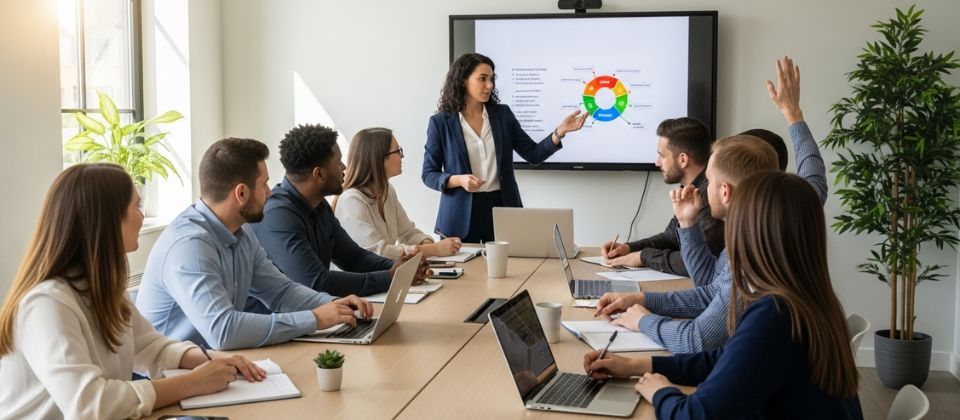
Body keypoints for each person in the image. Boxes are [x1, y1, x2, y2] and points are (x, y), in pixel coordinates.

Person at [594, 56, 828, 353]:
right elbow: (712, 288)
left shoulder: (753, 253)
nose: (705, 186)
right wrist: (794, 116)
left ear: (725, 191)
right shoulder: (794, 208)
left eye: (710, 180)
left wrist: (643, 320)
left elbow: (695, 340)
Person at [584, 171, 863, 419]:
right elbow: (725, 359)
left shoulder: (775, 314)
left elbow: (695, 415)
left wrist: (660, 392)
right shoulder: (812, 300)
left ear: (752, 234)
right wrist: (637, 365)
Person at [0, 164, 266, 419]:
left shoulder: (102, 288)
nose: (142, 216)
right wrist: (193, 383)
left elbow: (150, 347)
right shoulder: (46, 304)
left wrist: (215, 359)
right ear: (107, 221)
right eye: (137, 206)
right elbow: (90, 405)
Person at [136, 138, 372, 350]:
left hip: (216, 364)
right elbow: (223, 331)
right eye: (264, 184)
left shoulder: (241, 231)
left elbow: (280, 291)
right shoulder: (191, 246)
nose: (269, 193)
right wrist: (315, 318)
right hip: (170, 375)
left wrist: (333, 304)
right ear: (241, 193)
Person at [422, 52, 589, 243]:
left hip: (502, 207)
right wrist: (458, 180)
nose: (490, 85)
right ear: (462, 80)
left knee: (509, 263)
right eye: (482, 79)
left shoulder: (502, 115)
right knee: (465, 264)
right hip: (459, 216)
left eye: (491, 79)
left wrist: (560, 132)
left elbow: (533, 154)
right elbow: (429, 174)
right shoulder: (440, 123)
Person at [253, 124, 426, 307]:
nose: (344, 167)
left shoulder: (319, 205)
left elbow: (354, 258)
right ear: (319, 174)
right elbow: (316, 282)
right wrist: (390, 277)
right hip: (279, 322)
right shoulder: (278, 216)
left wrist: (404, 268)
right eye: (338, 162)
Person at [600, 117, 723, 276]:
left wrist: (643, 257)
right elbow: (672, 237)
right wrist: (629, 248)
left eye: (662, 156)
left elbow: (699, 260)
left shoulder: (710, 196)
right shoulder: (690, 189)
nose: (657, 163)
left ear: (683, 159)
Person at [334, 127, 462, 259]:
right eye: (398, 151)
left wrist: (427, 244)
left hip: (386, 271)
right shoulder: (352, 201)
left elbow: (408, 233)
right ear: (381, 158)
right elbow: (378, 253)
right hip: (369, 272)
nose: (402, 156)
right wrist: (433, 249)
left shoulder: (386, 190)